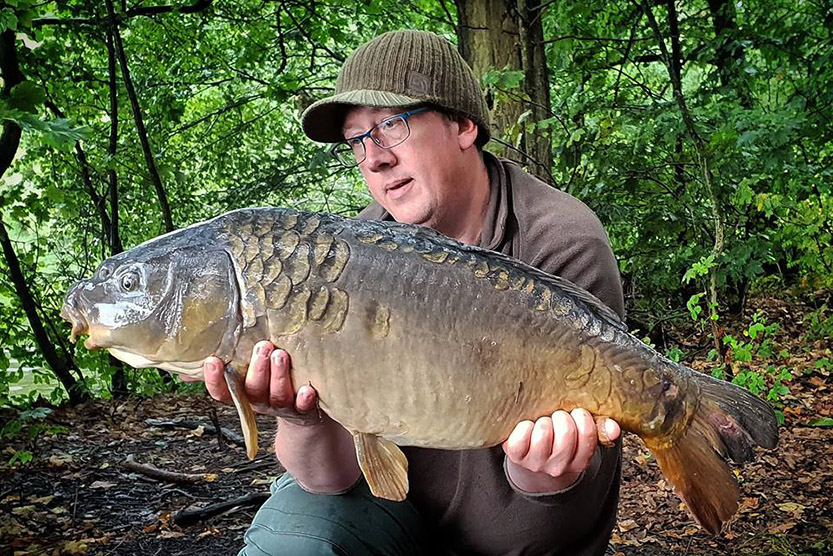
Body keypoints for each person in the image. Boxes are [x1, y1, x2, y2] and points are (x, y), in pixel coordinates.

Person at [202, 30, 626, 556]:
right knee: (294, 538)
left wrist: (540, 471)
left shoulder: (560, 241)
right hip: (395, 515)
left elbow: (551, 529)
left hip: (520, 533)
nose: (374, 158)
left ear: (464, 125)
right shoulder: (349, 254)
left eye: (390, 126)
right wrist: (299, 415)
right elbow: (328, 482)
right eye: (357, 140)